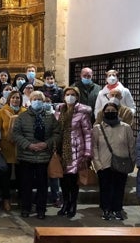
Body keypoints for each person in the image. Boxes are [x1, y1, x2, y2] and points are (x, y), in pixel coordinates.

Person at [12, 90, 60, 219]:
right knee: (26, 184)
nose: (37, 101)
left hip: (44, 156)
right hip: (26, 155)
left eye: (40, 99)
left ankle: (41, 209)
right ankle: (26, 208)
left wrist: (46, 144)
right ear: (30, 101)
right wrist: (28, 145)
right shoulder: (22, 116)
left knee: (42, 185)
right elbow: (16, 133)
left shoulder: (50, 116)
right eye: (35, 99)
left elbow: (57, 134)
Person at [92, 102, 136, 221]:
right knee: (105, 188)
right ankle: (106, 209)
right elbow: (94, 147)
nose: (110, 112)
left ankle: (117, 209)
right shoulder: (97, 128)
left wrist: (132, 162)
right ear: (104, 112)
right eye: (108, 110)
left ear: (117, 112)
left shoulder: (125, 127)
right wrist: (97, 164)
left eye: (113, 110)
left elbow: (131, 145)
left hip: (121, 162)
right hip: (104, 163)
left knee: (119, 187)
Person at [54, 86, 92, 218]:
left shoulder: (82, 112)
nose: (70, 97)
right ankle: (65, 203)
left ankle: (72, 204)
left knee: (73, 179)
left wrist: (88, 152)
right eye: (67, 94)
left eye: (73, 94)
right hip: (61, 149)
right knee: (63, 179)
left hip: (76, 149)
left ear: (77, 97)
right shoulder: (59, 111)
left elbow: (87, 133)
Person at [0, 90, 26, 211]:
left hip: (21, 149)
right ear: (9, 99)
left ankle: (21, 199)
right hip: (6, 149)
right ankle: (6, 199)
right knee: (5, 178)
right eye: (13, 98)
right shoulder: (2, 111)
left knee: (21, 177)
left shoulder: (25, 112)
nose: (15, 100)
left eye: (18, 98)